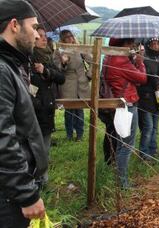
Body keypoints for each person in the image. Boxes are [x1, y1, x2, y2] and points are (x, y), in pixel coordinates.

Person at [0, 0, 48, 225]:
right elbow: (3, 138)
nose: (38, 34)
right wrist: (26, 194)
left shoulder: (11, 64)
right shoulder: (1, 70)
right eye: (33, 26)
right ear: (14, 25)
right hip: (7, 196)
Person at [104, 38, 147, 188]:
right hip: (127, 104)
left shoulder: (109, 57)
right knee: (127, 145)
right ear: (121, 45)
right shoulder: (120, 60)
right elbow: (142, 78)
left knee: (121, 142)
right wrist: (140, 62)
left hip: (118, 103)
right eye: (129, 44)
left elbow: (126, 78)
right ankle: (122, 183)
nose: (132, 47)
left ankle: (120, 178)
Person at [31, 25, 65, 182]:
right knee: (33, 150)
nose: (44, 39)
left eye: (45, 35)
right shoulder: (26, 59)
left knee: (45, 148)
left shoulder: (47, 57)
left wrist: (46, 70)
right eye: (39, 36)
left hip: (47, 110)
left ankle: (42, 182)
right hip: (33, 111)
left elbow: (61, 78)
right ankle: (36, 182)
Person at [54, 30, 91, 141]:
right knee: (69, 110)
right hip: (67, 84)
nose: (70, 38)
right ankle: (69, 135)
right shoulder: (58, 51)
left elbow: (93, 62)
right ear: (62, 39)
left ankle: (79, 135)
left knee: (79, 109)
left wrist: (88, 76)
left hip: (81, 83)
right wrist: (64, 63)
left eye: (71, 36)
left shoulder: (80, 48)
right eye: (67, 37)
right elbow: (57, 68)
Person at [138, 37, 159, 160]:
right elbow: (141, 77)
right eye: (153, 43)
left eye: (157, 43)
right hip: (145, 97)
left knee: (155, 127)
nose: (156, 45)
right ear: (148, 45)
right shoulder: (143, 57)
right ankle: (144, 154)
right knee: (148, 127)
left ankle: (153, 151)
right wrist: (150, 75)